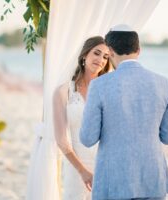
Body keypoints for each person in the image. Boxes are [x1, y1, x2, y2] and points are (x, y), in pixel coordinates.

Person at [80, 24, 168, 200]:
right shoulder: (164, 83)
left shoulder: (99, 85)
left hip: (113, 181)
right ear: (138, 50)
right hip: (152, 178)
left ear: (109, 51)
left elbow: (87, 138)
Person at [52, 36, 112, 199]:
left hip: (106, 164)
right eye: (97, 53)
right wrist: (82, 171)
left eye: (106, 57)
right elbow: (61, 141)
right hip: (76, 167)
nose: (101, 60)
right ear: (84, 55)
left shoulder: (108, 90)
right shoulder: (64, 92)